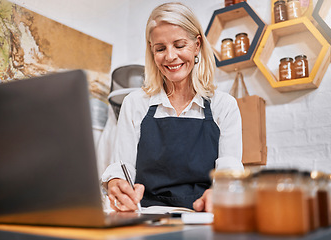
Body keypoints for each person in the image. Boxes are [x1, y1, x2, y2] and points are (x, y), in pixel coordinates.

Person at [101, 2, 243, 213]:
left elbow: (229, 169)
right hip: (146, 215)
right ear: (152, 51)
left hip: (201, 214)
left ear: (197, 45)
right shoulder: (135, 103)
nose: (170, 56)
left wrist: (223, 190)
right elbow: (123, 166)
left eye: (179, 45)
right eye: (160, 48)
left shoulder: (224, 106)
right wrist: (116, 183)